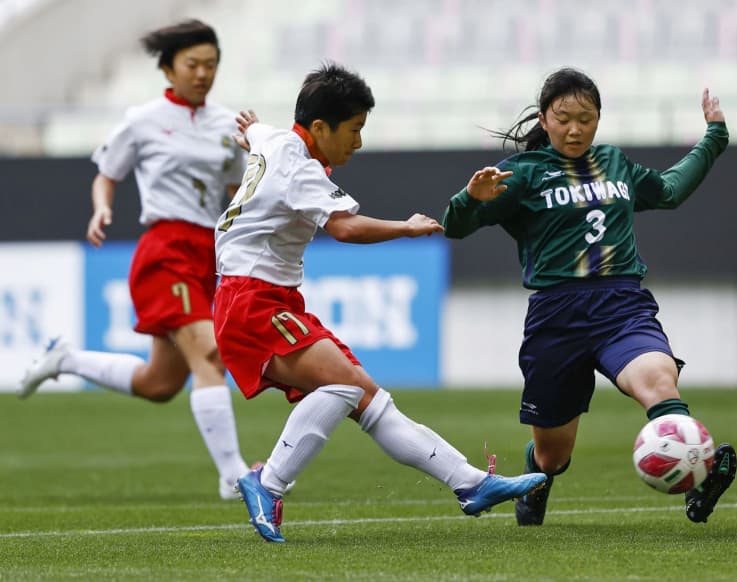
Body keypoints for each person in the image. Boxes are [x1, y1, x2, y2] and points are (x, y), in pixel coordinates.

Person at [213, 62, 547, 543]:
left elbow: (257, 134)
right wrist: (407, 228)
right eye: (354, 130)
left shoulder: (276, 140)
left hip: (264, 297)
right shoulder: (298, 166)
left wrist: (250, 131)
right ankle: (266, 483)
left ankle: (471, 484)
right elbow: (344, 227)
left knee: (368, 400)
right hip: (252, 301)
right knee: (347, 388)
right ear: (320, 128)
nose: (359, 142)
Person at [441, 67, 737, 526]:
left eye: (586, 117)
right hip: (556, 318)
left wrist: (714, 136)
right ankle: (537, 476)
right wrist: (470, 198)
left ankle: (698, 478)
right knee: (553, 455)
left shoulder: (614, 162)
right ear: (544, 118)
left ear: (599, 118)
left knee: (660, 380)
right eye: (563, 118)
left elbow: (672, 190)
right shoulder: (522, 174)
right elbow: (455, 227)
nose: (575, 128)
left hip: (621, 306)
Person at [18, 19, 257, 500]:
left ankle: (67, 359)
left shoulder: (227, 126)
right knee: (211, 351)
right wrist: (102, 206)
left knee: (160, 383)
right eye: (193, 64)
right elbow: (107, 173)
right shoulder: (143, 119)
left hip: (208, 253)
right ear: (168, 68)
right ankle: (234, 476)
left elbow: (236, 192)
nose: (203, 74)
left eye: (211, 65)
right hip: (165, 250)